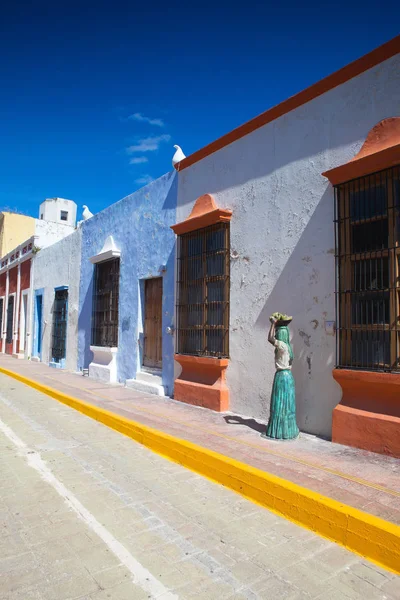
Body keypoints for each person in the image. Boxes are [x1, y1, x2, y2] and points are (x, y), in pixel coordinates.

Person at [263, 316, 299, 440]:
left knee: (279, 406)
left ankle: (278, 432)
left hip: (281, 377)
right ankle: (289, 431)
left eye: (278, 332)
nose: (276, 334)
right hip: (288, 377)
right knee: (287, 406)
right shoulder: (288, 347)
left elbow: (270, 338)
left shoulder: (282, 346)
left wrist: (273, 324)